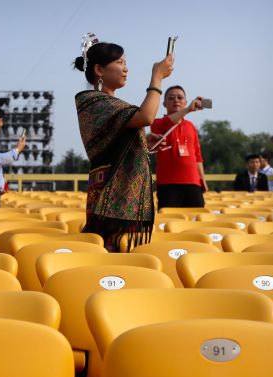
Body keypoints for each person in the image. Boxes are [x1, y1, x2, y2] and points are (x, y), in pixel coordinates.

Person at [74, 38, 173, 252]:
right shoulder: (94, 102)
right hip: (107, 195)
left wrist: (144, 141)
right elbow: (147, 116)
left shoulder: (109, 104)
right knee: (109, 254)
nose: (126, 69)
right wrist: (157, 77)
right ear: (99, 69)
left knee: (123, 252)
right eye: (119, 63)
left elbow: (114, 143)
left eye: (125, 62)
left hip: (117, 195)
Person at [151, 86, 208, 209]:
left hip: (193, 183)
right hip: (168, 183)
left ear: (185, 102)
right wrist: (188, 110)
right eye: (171, 98)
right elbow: (168, 123)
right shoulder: (157, 123)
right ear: (164, 103)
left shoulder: (191, 126)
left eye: (180, 98)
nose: (176, 100)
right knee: (169, 222)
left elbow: (197, 156)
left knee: (195, 220)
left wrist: (202, 179)